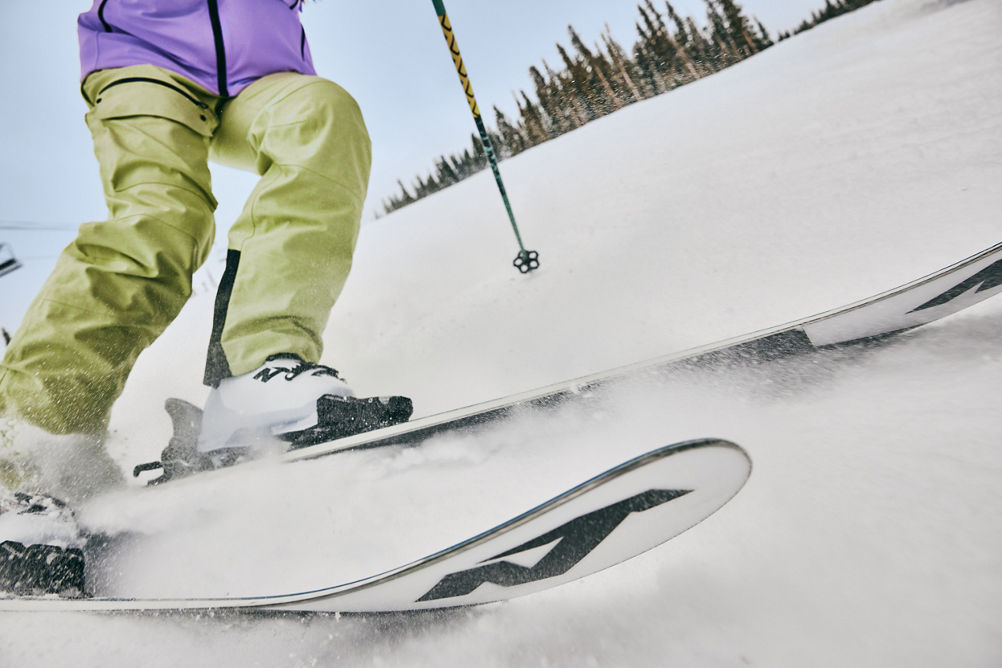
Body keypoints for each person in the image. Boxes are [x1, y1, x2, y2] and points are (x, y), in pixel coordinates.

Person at [0, 0, 383, 596]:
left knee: (323, 116)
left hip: (263, 64)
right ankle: (26, 467)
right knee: (161, 223)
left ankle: (259, 372)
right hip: (144, 53)